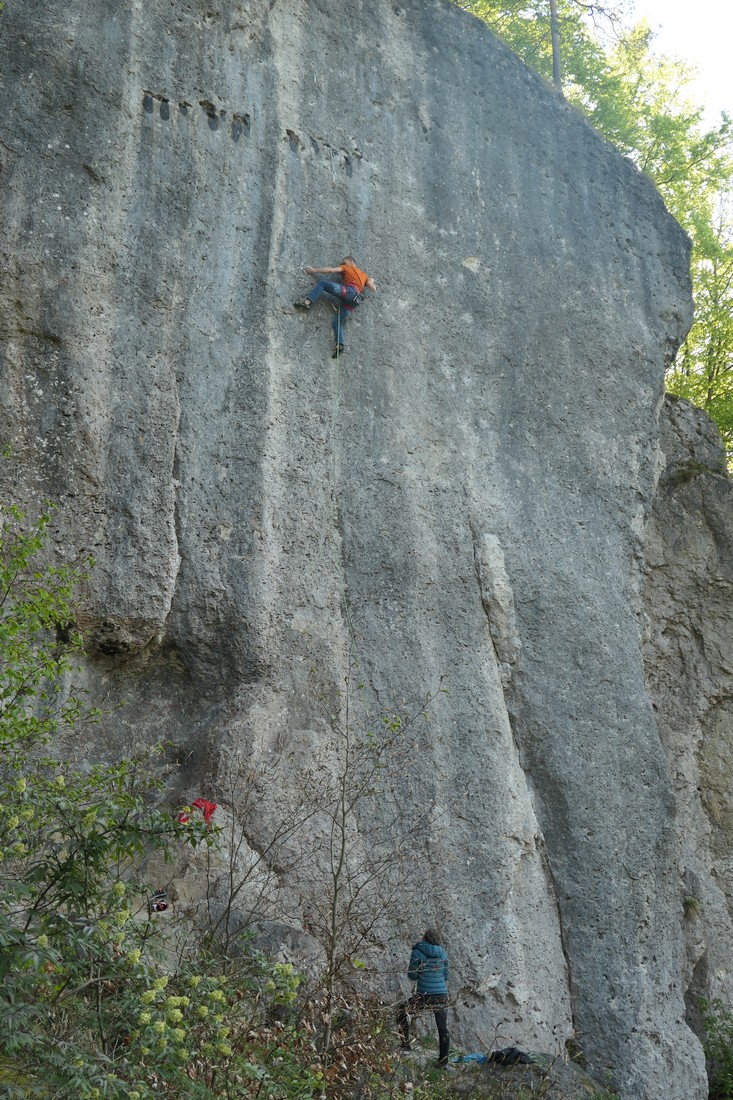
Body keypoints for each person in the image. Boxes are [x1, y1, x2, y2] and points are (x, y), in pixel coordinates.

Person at [294, 256, 376, 358]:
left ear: (350, 261)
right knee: (337, 321)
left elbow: (331, 270)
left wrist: (314, 270)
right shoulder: (364, 275)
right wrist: (371, 280)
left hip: (348, 292)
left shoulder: (347, 267)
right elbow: (373, 288)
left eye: (344, 262)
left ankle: (307, 303)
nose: (342, 263)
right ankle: (339, 345)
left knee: (323, 284)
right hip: (354, 301)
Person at [396, 929, 450, 1066]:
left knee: (401, 1011)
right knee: (442, 1028)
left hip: (424, 996)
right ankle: (443, 1061)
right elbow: (446, 976)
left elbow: (412, 975)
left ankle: (405, 1044)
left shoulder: (417, 952)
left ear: (424, 938)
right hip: (441, 996)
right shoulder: (442, 953)